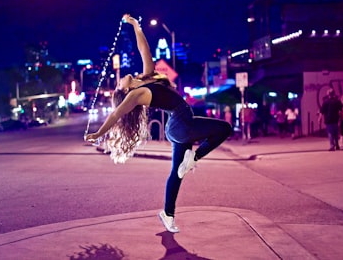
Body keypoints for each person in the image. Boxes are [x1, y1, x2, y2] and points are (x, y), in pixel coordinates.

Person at [85, 14, 232, 233]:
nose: (120, 79)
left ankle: (168, 214)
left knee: (177, 173)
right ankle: (195, 157)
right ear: (125, 90)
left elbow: (144, 50)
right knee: (225, 128)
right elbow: (116, 115)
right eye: (119, 84)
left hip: (176, 126)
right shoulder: (135, 94)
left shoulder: (147, 78)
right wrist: (98, 134)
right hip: (182, 122)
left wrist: (135, 25)